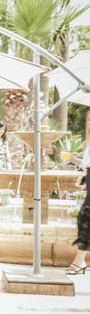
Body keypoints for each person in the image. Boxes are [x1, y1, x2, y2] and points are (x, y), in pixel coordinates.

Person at [68, 110, 90, 275]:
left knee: (85, 218)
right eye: (88, 119)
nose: (89, 122)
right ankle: (80, 261)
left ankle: (79, 262)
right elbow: (86, 164)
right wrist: (72, 159)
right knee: (84, 218)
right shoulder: (86, 142)